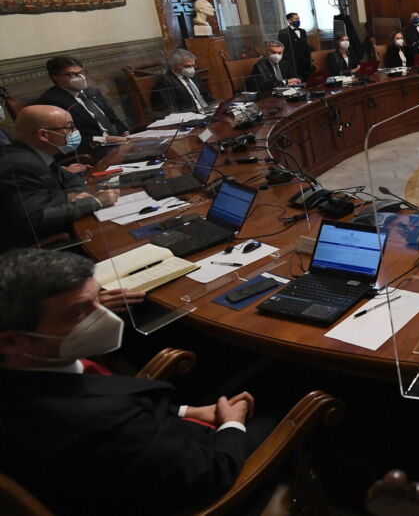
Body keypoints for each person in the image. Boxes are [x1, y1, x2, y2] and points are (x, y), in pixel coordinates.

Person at [0, 249, 265, 516]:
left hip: (141, 448)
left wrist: (188, 411)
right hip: (191, 478)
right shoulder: (101, 420)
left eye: (98, 299)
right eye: (80, 313)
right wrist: (233, 424)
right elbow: (212, 474)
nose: (104, 315)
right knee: (281, 397)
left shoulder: (27, 370)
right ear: (12, 341)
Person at [0, 106, 119, 252]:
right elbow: (35, 218)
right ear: (44, 135)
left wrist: (74, 194)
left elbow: (69, 177)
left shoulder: (33, 153)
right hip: (41, 248)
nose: (75, 132)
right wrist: (95, 202)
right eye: (69, 128)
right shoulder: (20, 165)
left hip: (61, 229)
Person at [38, 56, 128, 149]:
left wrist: (126, 134)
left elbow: (113, 119)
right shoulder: (51, 101)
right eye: (69, 75)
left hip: (119, 142)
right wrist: (105, 140)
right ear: (55, 77)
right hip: (94, 149)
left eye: (81, 72)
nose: (80, 78)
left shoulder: (92, 91)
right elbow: (66, 139)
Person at [151, 48, 212, 114]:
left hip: (207, 110)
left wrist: (217, 105)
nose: (191, 69)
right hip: (191, 115)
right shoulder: (165, 82)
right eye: (187, 66)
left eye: (193, 66)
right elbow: (170, 108)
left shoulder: (194, 75)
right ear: (174, 65)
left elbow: (204, 95)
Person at [276, 12, 314, 78]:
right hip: (293, 64)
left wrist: (309, 59)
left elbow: (305, 46)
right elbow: (283, 49)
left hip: (304, 63)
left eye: (298, 19)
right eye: (296, 19)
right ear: (289, 21)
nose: (298, 21)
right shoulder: (284, 32)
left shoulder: (303, 31)